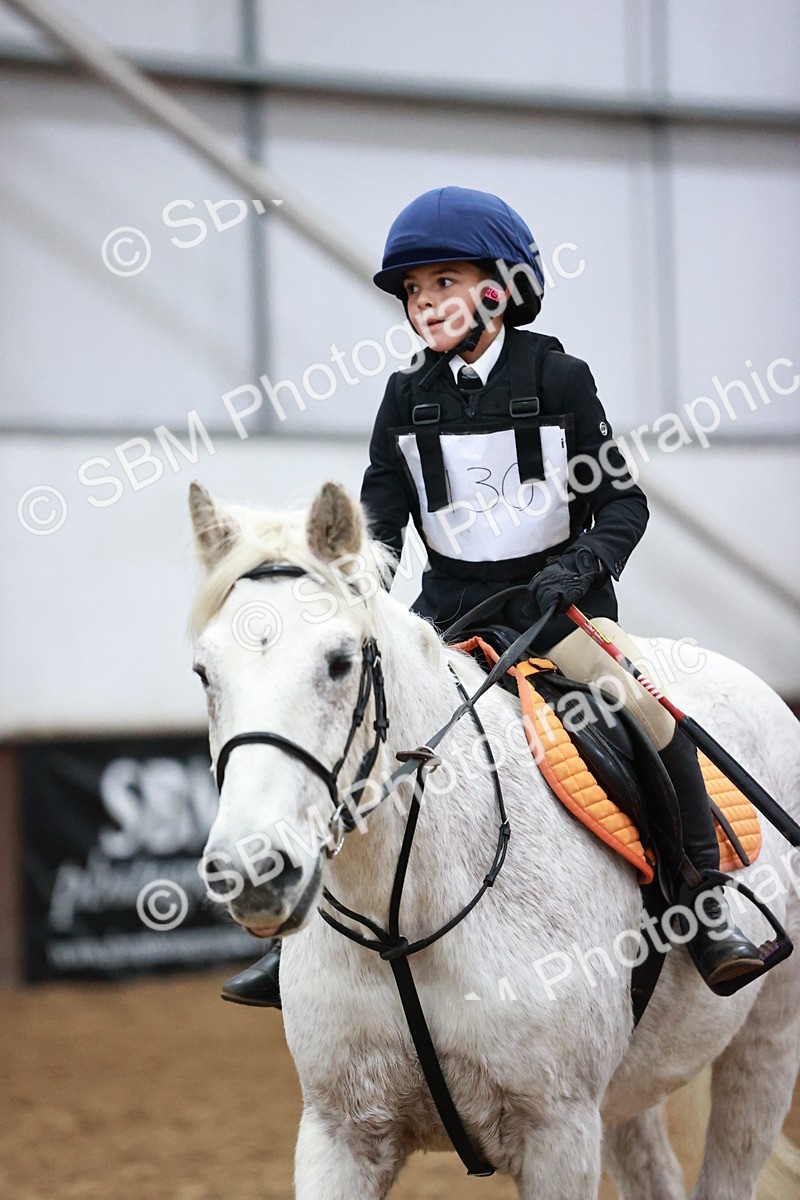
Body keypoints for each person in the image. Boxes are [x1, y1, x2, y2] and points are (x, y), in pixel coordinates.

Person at [222, 186, 763, 1008]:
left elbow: (624, 503)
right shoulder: (405, 398)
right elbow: (383, 518)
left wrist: (578, 565)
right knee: (356, 723)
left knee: (644, 713)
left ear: (499, 289)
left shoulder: (558, 377)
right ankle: (303, 937)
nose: (425, 302)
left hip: (557, 608)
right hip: (447, 615)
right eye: (414, 291)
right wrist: (365, 579)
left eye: (442, 282)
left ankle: (703, 897)